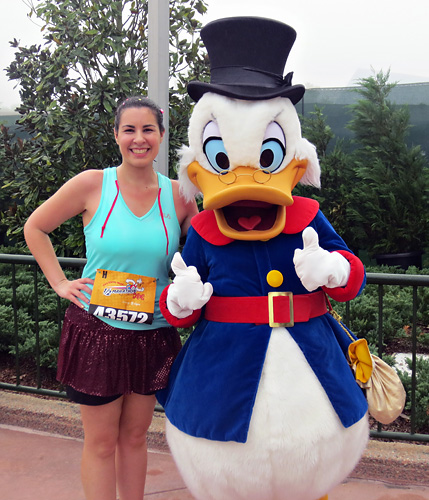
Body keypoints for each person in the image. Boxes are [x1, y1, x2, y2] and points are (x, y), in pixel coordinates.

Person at [23, 95, 198, 500]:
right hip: (98, 333)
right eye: (129, 130)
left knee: (136, 439)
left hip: (152, 335)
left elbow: (203, 255)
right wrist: (60, 283)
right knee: (101, 443)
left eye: (148, 129)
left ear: (161, 135)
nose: (139, 139)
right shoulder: (93, 184)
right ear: (116, 135)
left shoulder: (179, 196)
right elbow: (36, 227)